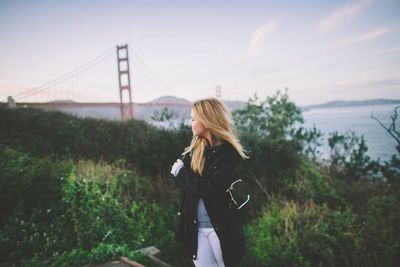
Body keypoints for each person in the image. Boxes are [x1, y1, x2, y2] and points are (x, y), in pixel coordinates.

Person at [170, 98, 248, 267]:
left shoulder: (228, 153)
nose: (190, 123)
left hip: (220, 227)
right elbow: (180, 181)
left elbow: (210, 190)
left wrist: (182, 173)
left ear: (206, 121)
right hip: (195, 228)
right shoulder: (194, 151)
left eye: (193, 118)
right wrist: (185, 177)